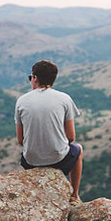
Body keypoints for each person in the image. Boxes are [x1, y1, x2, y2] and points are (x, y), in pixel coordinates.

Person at [15, 59, 83, 203]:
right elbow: (71, 137)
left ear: (35, 78)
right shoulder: (64, 99)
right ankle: (74, 195)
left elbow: (21, 140)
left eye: (30, 78)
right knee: (78, 149)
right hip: (58, 159)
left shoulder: (21, 101)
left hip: (31, 160)